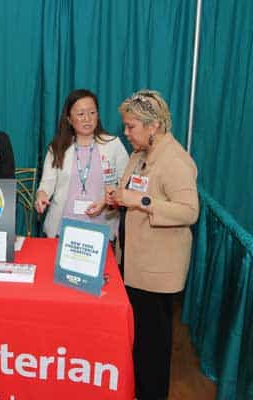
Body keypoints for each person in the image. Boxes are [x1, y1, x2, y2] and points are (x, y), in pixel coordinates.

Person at [112, 89, 199, 400]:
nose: (126, 133)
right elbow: (126, 191)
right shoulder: (139, 154)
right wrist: (112, 199)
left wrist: (141, 200)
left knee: (153, 344)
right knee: (139, 339)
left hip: (156, 270)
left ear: (154, 126)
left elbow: (189, 211)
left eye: (131, 126)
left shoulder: (175, 161)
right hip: (133, 262)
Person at [34, 89, 129, 237]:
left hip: (101, 228)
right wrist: (41, 195)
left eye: (92, 113)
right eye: (80, 114)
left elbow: (125, 183)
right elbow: (47, 183)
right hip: (63, 228)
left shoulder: (113, 144)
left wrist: (106, 201)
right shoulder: (58, 148)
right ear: (69, 119)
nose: (87, 119)